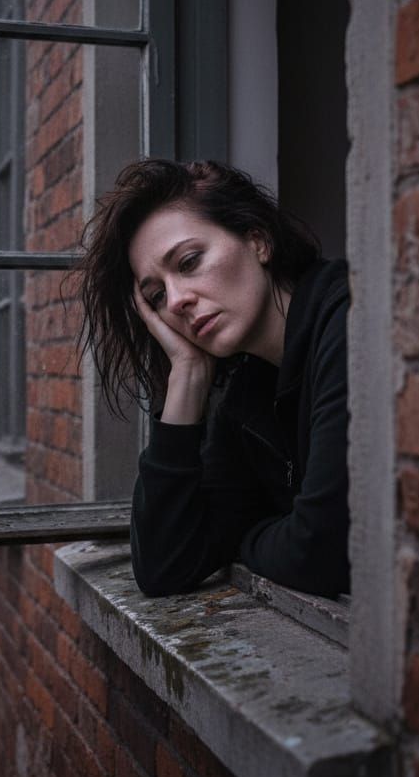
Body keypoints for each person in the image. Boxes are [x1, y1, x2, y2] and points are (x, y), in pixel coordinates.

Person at [79, 159, 349, 599]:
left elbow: (321, 550)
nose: (178, 301)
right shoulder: (249, 390)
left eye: (189, 262)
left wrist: (246, 540)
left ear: (257, 240)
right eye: (156, 295)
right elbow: (163, 565)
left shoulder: (348, 320)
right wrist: (186, 375)